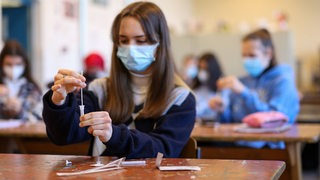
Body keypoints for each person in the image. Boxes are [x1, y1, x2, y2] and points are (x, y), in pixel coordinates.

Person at [42, 1, 196, 159]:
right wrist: (59, 102)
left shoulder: (180, 98)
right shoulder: (101, 89)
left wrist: (114, 135)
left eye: (141, 41)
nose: (131, 48)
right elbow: (63, 136)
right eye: (123, 40)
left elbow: (163, 149)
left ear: (160, 44)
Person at [208, 28, 300, 149]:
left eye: (252, 55)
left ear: (269, 54)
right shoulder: (244, 81)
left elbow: (275, 120)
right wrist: (222, 109)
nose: (247, 60)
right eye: (244, 55)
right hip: (239, 144)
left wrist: (244, 92)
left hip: (271, 148)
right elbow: (232, 121)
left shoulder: (283, 81)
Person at [0, 40, 42, 122]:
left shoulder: (32, 89)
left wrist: (19, 111)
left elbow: (40, 118)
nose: (14, 69)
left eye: (18, 64)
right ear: (1, 64)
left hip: (25, 134)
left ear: (25, 64)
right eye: (9, 64)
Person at [191, 52, 223, 122]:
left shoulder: (221, 87)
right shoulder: (196, 88)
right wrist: (207, 105)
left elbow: (224, 111)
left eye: (205, 69)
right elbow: (193, 111)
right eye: (200, 68)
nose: (202, 72)